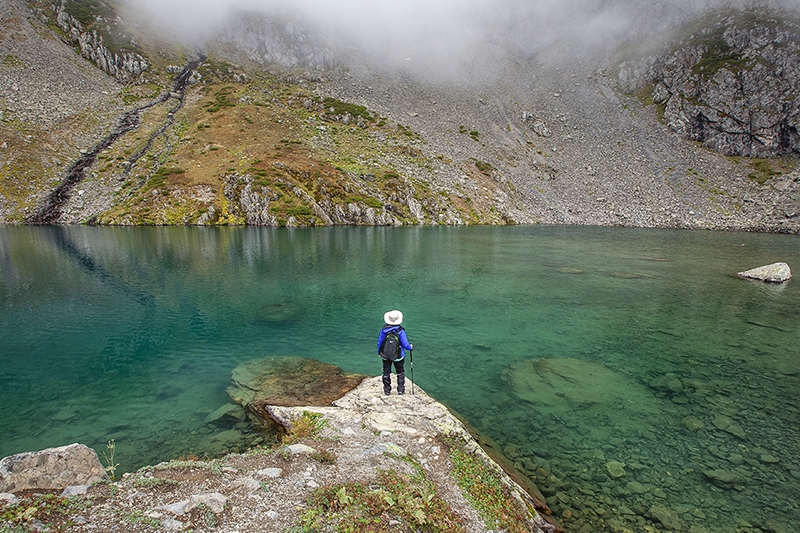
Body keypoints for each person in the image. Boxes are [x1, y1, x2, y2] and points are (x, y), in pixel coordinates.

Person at [377, 309, 413, 395]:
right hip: (398, 355)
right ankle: (400, 390)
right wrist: (410, 347)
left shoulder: (384, 330)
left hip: (385, 355)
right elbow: (405, 344)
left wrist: (379, 352)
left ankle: (387, 390)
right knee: (400, 371)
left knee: (386, 372)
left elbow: (380, 342)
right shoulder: (400, 331)